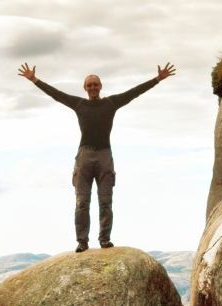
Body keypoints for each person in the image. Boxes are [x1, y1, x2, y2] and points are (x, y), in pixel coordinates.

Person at [18, 61, 176, 251]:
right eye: (89, 85)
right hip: (84, 156)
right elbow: (56, 94)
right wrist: (34, 80)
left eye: (95, 84)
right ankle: (82, 241)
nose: (92, 88)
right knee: (82, 203)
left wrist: (157, 79)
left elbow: (134, 92)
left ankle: (104, 239)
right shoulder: (79, 104)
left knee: (105, 201)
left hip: (104, 155)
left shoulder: (111, 103)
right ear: (84, 88)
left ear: (101, 86)